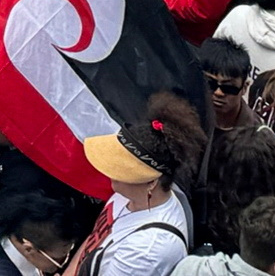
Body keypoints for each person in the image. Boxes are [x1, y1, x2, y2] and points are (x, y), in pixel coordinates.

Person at [66, 96, 202, 276]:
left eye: (124, 168)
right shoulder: (128, 192)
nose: (112, 170)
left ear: (151, 182)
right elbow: (94, 239)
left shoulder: (149, 248)